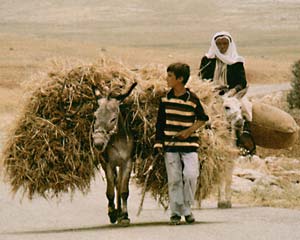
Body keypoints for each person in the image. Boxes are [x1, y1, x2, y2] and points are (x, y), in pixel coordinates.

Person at [154, 62, 209, 225]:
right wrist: (158, 142)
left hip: (190, 146)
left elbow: (203, 119)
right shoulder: (165, 99)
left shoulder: (192, 99)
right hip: (170, 146)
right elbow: (160, 123)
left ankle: (187, 207)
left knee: (191, 175)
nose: (167, 78)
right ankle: (176, 212)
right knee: (174, 178)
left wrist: (188, 131)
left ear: (180, 79)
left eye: (170, 76)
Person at [198, 31, 247, 96]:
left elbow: (242, 82)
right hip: (210, 92)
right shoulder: (207, 60)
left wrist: (233, 91)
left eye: (225, 43)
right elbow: (201, 78)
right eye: (218, 44)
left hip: (231, 94)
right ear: (214, 45)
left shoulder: (236, 62)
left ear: (230, 44)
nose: (222, 46)